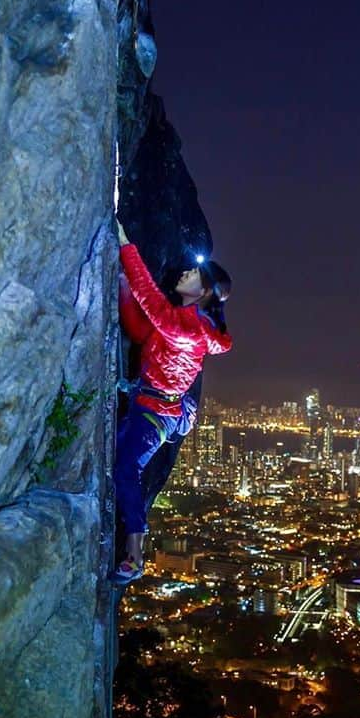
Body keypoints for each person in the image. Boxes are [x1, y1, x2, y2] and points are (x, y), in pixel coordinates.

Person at [110, 218, 233, 584]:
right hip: (154, 405)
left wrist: (124, 246)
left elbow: (150, 299)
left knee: (124, 469)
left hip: (155, 413)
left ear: (205, 291)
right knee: (123, 466)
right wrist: (121, 282)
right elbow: (142, 327)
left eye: (195, 274)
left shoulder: (187, 329)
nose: (185, 274)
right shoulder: (183, 322)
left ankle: (133, 557)